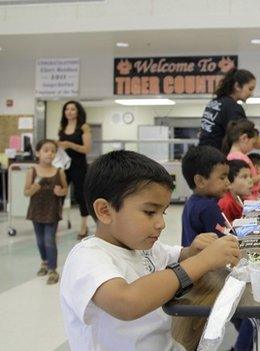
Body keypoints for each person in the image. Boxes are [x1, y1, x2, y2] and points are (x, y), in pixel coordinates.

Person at [59, 150, 240, 351]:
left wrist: (194, 250)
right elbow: (126, 302)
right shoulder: (88, 257)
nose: (161, 223)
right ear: (105, 210)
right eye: (149, 212)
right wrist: (202, 261)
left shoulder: (140, 246)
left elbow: (175, 254)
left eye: (162, 212)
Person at [198, 68, 260, 161]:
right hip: (214, 160)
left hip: (202, 156)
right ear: (237, 86)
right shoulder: (232, 107)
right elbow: (250, 138)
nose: (251, 93)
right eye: (250, 89)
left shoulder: (214, 103)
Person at [24, 139, 68, 285]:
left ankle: (53, 269)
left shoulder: (59, 171)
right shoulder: (32, 171)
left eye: (53, 151)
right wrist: (33, 189)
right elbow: (26, 192)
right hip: (36, 211)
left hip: (52, 211)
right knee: (40, 240)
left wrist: (60, 192)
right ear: (38, 153)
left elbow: (65, 189)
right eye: (46, 150)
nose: (50, 153)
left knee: (49, 240)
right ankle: (44, 262)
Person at [181, 145, 230, 246]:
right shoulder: (208, 207)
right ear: (200, 181)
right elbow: (226, 238)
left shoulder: (191, 203)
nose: (228, 182)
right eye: (222, 178)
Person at [58, 100, 92, 239]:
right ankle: (55, 225)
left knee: (80, 195)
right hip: (63, 165)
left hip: (79, 166)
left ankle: (84, 226)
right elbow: (61, 147)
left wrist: (70, 144)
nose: (69, 111)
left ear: (78, 111)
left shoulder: (83, 127)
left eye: (72, 109)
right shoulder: (62, 127)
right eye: (67, 109)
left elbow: (87, 148)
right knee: (59, 194)